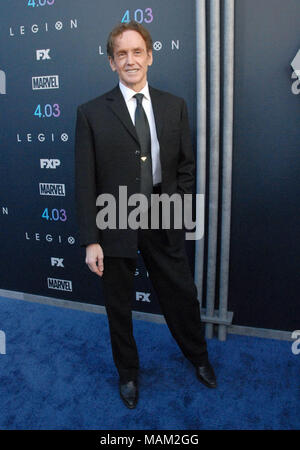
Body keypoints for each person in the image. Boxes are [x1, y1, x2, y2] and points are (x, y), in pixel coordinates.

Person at [75, 21, 217, 409]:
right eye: (122, 54)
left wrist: (177, 210)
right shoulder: (90, 113)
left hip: (161, 212)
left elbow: (186, 167)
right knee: (118, 304)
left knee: (181, 294)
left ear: (150, 56)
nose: (131, 60)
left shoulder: (175, 106)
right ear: (111, 62)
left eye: (138, 52)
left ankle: (198, 357)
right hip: (113, 216)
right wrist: (91, 240)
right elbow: (85, 181)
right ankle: (128, 374)